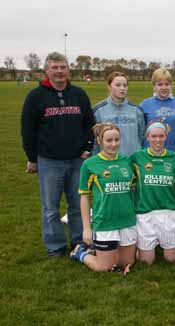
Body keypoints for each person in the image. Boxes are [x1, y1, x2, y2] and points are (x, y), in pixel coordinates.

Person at [21, 51, 95, 257]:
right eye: (55, 67)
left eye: (63, 67)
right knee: (50, 207)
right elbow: (27, 129)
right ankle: (55, 247)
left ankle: (79, 242)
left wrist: (88, 148)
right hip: (49, 161)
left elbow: (89, 123)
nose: (60, 71)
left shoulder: (78, 94)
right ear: (47, 70)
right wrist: (31, 158)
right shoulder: (35, 96)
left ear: (68, 69)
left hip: (77, 160)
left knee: (78, 204)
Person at [70, 123, 136, 272]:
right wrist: (87, 228)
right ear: (99, 141)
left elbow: (132, 190)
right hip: (105, 221)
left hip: (127, 220)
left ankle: (103, 252)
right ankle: (80, 253)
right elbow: (85, 197)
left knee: (126, 262)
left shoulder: (127, 161)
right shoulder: (89, 164)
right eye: (109, 140)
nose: (113, 144)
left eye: (117, 140)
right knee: (104, 267)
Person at [130, 122, 175, 265]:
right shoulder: (137, 157)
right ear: (147, 137)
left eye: (161, 136)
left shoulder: (174, 158)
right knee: (147, 261)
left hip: (168, 211)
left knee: (172, 260)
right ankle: (137, 247)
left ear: (166, 136)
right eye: (154, 136)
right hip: (145, 213)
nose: (157, 140)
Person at [92, 71, 144, 156]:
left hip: (132, 160)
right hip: (109, 161)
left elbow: (142, 136)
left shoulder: (136, 110)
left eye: (125, 85)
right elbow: (95, 141)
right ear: (109, 87)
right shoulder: (98, 110)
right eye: (118, 85)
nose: (122, 88)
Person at [140, 68, 175, 156]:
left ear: (171, 85)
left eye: (167, 84)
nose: (164, 87)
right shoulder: (144, 104)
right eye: (160, 84)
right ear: (154, 86)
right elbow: (140, 131)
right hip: (151, 152)